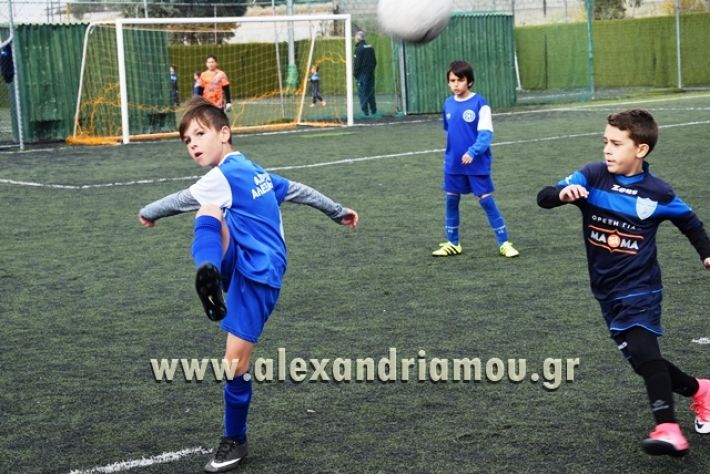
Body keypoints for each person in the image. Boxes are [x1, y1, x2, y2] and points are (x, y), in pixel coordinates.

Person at [138, 97, 359, 472]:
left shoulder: (221, 177)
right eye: (187, 140)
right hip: (244, 260)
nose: (193, 144)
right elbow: (301, 191)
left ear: (224, 133)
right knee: (210, 207)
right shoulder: (255, 171)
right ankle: (209, 275)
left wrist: (148, 212)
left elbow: (181, 199)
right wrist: (339, 212)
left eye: (200, 134)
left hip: (258, 277)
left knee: (233, 364)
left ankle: (235, 440)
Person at [537, 109, 710, 457]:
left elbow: (690, 223)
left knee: (645, 353)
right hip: (606, 291)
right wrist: (563, 194)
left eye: (617, 144)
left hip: (641, 288)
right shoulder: (592, 176)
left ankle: (668, 429)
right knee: (641, 362)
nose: (607, 149)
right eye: (605, 141)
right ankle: (701, 390)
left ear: (640, 150)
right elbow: (544, 196)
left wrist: (707, 254)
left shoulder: (657, 192)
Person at [432, 60, 519, 258]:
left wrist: (472, 152)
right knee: (451, 199)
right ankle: (453, 243)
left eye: (460, 80)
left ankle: (504, 243)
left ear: (469, 81)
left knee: (486, 200)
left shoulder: (480, 103)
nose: (455, 84)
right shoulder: (448, 104)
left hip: (476, 163)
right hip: (453, 163)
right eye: (452, 81)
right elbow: (449, 131)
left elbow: (486, 135)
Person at [353, 31, 376, 116]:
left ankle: (365, 112)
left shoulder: (358, 48)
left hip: (362, 74)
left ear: (358, 38)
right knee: (370, 92)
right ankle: (373, 110)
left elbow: (357, 63)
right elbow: (374, 61)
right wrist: (371, 70)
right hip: (370, 73)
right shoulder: (370, 47)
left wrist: (355, 74)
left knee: (362, 92)